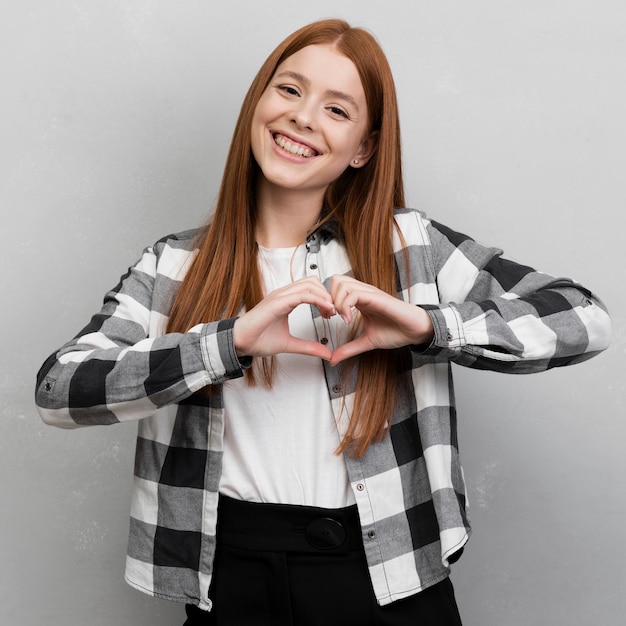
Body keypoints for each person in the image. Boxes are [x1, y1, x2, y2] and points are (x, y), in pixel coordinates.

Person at [35, 18, 611, 626]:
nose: (304, 117)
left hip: (386, 575)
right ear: (258, 103)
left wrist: (428, 328)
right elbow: (57, 391)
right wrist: (224, 345)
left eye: (337, 110)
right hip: (229, 579)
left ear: (364, 147)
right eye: (288, 90)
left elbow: (584, 317)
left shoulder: (409, 247)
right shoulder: (176, 265)